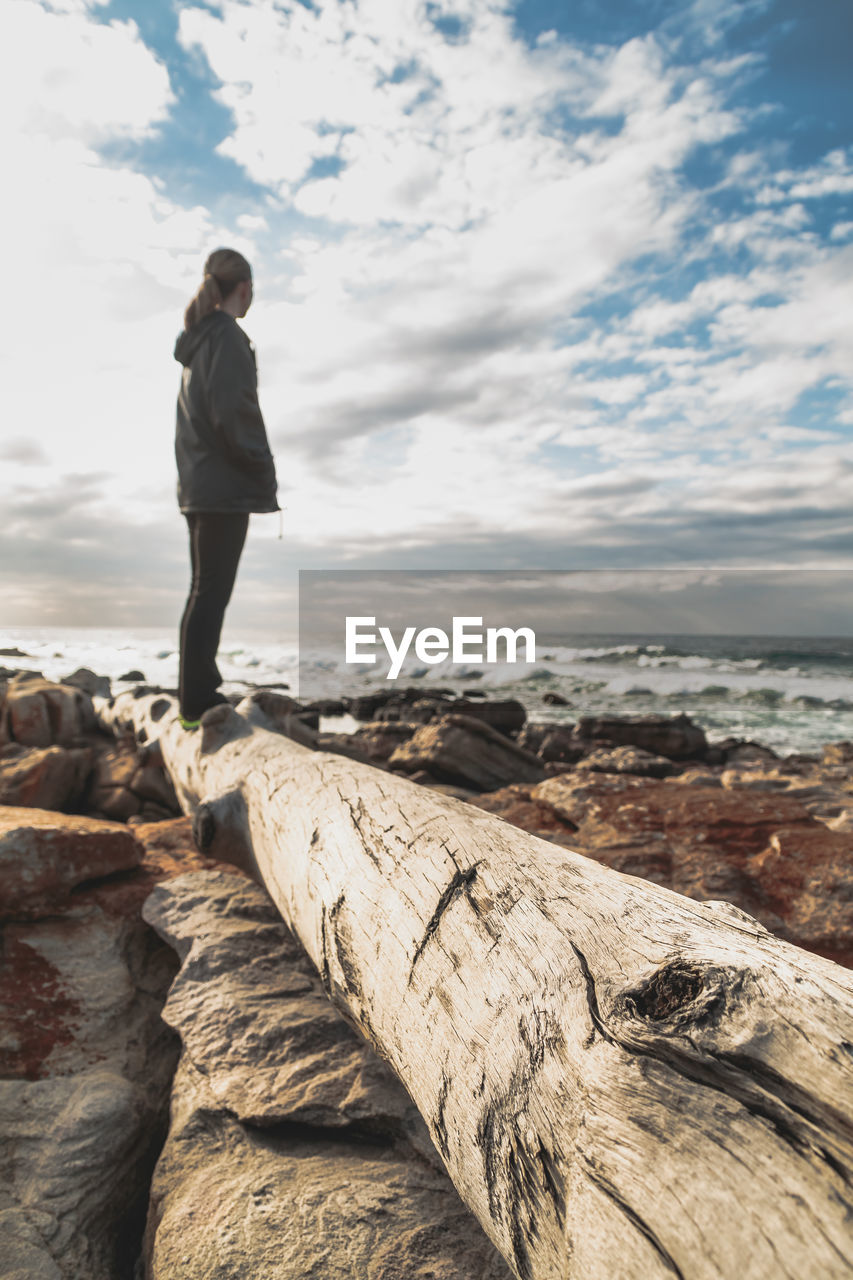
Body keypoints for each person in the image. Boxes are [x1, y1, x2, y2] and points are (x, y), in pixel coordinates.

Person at [174, 247, 279, 730]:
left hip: (199, 486)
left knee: (204, 590)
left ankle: (197, 693)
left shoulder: (198, 344)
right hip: (221, 487)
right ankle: (198, 702)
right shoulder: (227, 338)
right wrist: (261, 470)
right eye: (252, 287)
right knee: (212, 592)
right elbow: (233, 414)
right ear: (244, 288)